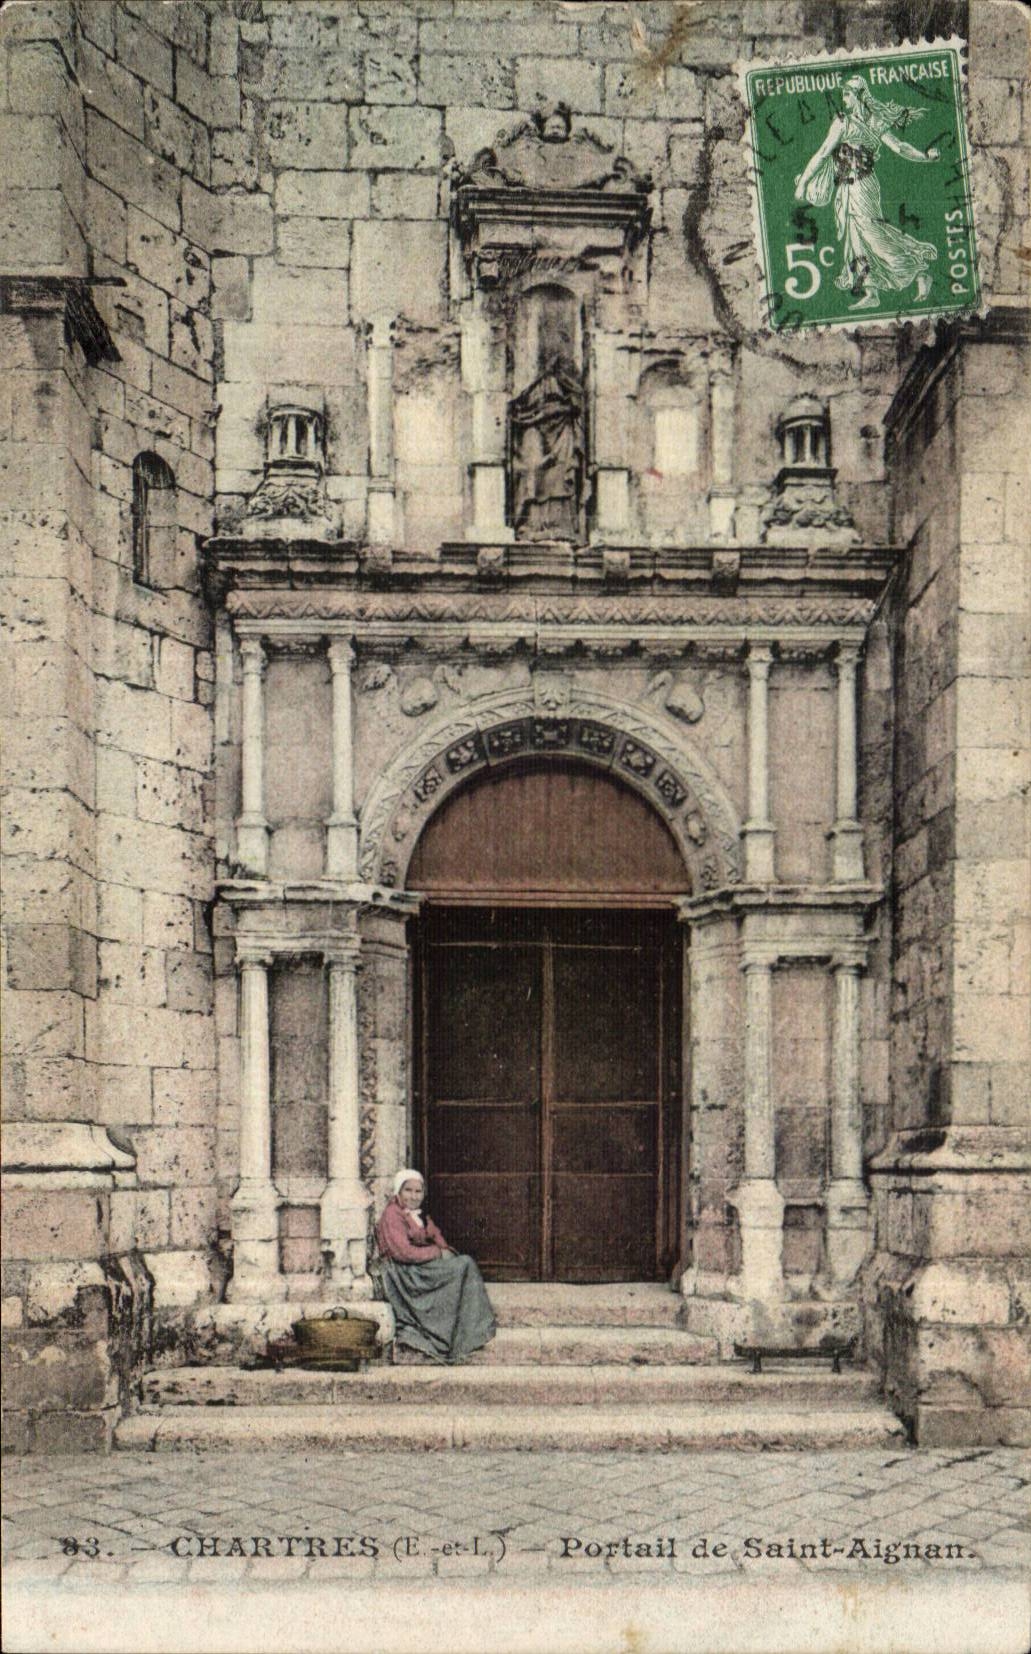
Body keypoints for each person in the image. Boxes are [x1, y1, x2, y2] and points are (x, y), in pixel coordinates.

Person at [794, 75, 940, 310]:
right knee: (855, 239)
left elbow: (900, 147)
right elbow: (823, 153)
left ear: (860, 95)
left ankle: (919, 272)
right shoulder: (842, 121)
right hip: (846, 187)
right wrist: (804, 182)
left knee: (872, 234)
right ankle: (871, 291)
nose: (844, 99)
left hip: (864, 185)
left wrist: (925, 157)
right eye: (843, 94)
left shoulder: (875, 121)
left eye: (848, 94)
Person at [375, 1169, 496, 1365]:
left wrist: (441, 1245)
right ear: (398, 1192)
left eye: (418, 1191)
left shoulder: (418, 1215)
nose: (414, 1196)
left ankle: (467, 1329)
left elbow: (436, 1235)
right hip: (405, 1272)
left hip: (419, 1264)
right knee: (464, 1266)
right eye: (408, 1191)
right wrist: (437, 1253)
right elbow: (402, 1252)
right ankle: (453, 1334)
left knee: (463, 1264)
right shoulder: (392, 1215)